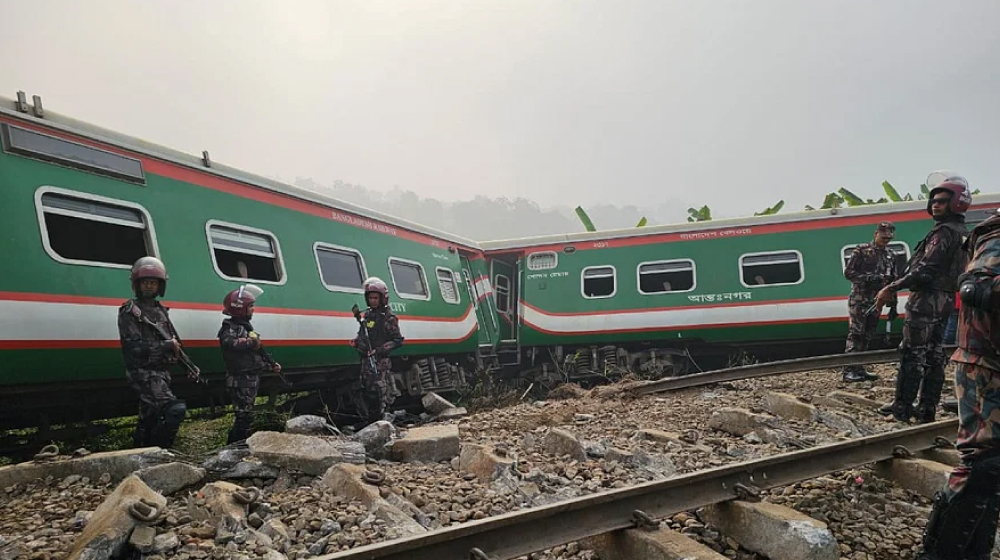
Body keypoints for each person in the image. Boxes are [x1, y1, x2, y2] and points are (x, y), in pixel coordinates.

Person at [916, 207, 1000, 560]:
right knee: (982, 465)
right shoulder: (996, 239)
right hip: (985, 366)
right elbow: (976, 286)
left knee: (992, 468)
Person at [874, 171, 971, 423]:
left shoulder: (943, 233)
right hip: (946, 299)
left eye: (941, 201)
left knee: (911, 352)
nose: (935, 205)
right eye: (934, 201)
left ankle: (903, 408)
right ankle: (927, 408)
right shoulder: (962, 231)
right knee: (934, 353)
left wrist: (891, 287)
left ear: (956, 203)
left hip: (927, 299)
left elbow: (925, 270)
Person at [118, 256, 199, 448]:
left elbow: (175, 342)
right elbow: (134, 348)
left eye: (153, 283)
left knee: (149, 419)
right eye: (145, 282)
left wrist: (189, 364)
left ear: (160, 286)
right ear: (137, 285)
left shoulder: (161, 311)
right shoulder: (130, 311)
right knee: (174, 409)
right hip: (143, 373)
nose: (149, 286)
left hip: (162, 373)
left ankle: (141, 453)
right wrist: (165, 346)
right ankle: (162, 451)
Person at [218, 283, 282, 444]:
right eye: (251, 306)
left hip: (249, 379)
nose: (253, 309)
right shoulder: (230, 327)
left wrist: (271, 365)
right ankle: (234, 447)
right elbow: (229, 343)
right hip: (240, 380)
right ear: (240, 308)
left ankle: (237, 447)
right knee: (243, 418)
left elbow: (255, 356)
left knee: (246, 417)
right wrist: (251, 342)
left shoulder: (246, 327)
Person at [842, 221, 899, 382]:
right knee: (856, 334)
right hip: (859, 299)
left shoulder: (891, 256)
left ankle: (860, 368)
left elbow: (892, 282)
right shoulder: (861, 251)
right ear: (876, 234)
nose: (886, 239)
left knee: (868, 335)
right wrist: (869, 278)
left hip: (877, 301)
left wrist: (893, 304)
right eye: (883, 236)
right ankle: (849, 370)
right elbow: (849, 273)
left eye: (889, 237)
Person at [350, 277, 404, 423]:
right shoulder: (367, 316)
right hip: (367, 360)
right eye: (370, 298)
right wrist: (357, 343)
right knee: (367, 390)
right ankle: (371, 419)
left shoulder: (389, 318)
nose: (373, 300)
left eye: (375, 297)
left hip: (380, 362)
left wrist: (379, 350)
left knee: (381, 391)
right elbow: (362, 334)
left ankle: (383, 419)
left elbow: (397, 341)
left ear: (382, 298)